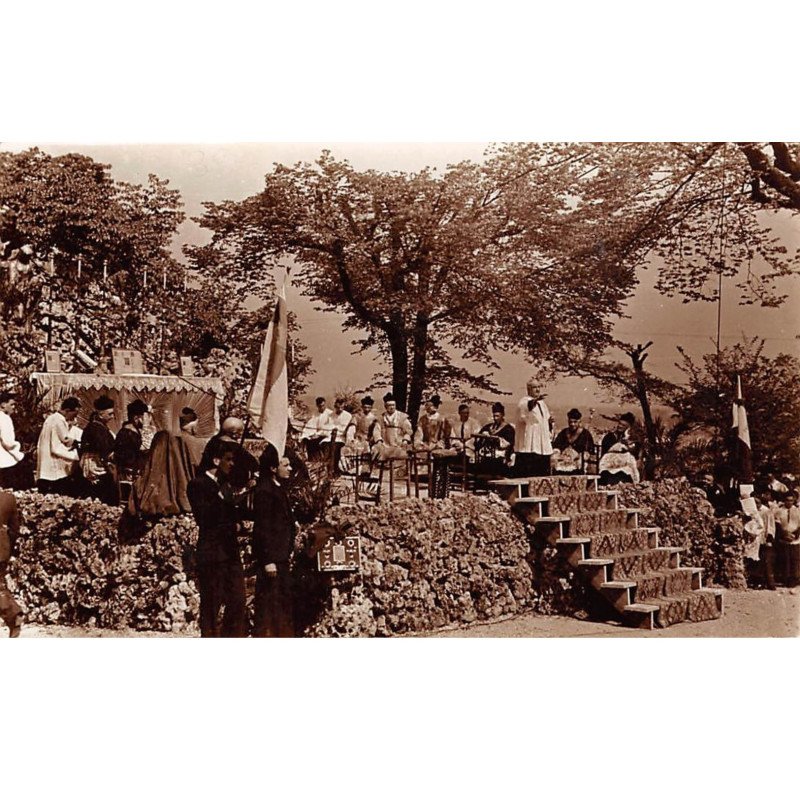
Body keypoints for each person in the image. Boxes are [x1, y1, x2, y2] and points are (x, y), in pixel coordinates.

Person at [187, 439, 247, 637]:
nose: (232, 464)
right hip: (213, 553)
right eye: (228, 459)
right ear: (215, 460)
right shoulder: (198, 485)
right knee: (211, 603)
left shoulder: (225, 485)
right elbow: (205, 518)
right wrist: (232, 524)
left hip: (230, 552)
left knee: (238, 599)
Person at [252, 443, 296, 637]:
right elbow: (262, 527)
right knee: (269, 602)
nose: (290, 469)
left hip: (281, 555)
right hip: (272, 558)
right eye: (285, 465)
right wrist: (267, 559)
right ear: (272, 468)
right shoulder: (265, 491)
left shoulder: (277, 488)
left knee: (280, 601)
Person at [198, 417, 259, 493]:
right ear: (235, 432)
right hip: (227, 485)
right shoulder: (234, 447)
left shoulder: (213, 441)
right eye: (241, 431)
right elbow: (253, 464)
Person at [35, 396, 81, 495]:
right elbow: (65, 440)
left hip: (45, 459)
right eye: (74, 414)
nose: (74, 418)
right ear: (68, 410)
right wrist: (77, 447)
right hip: (53, 460)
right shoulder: (59, 420)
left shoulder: (51, 418)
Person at [78, 395, 118, 504]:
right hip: (96, 466)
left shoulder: (100, 426)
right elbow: (103, 448)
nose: (112, 416)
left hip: (99, 463)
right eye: (110, 414)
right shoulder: (95, 428)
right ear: (101, 414)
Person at [513, 382, 554, 477]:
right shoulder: (523, 402)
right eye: (535, 387)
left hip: (542, 444)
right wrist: (535, 401)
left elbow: (545, 418)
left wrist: (549, 421)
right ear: (528, 389)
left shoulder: (542, 404)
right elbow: (528, 407)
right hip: (529, 445)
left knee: (542, 472)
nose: (538, 389)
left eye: (539, 387)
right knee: (530, 472)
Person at [0, 489, 23, 637]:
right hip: (2, 549)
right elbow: (14, 530)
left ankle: (13, 615)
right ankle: (14, 616)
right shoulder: (8, 498)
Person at [340, 396, 383, 474]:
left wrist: (378, 440)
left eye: (369, 407)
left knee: (367, 449)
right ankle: (349, 470)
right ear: (362, 407)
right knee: (345, 449)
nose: (366, 409)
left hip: (367, 441)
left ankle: (365, 471)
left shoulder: (374, 418)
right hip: (356, 440)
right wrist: (350, 438)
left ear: (371, 407)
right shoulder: (356, 416)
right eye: (365, 407)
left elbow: (376, 431)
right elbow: (352, 428)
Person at [113, 399, 149, 484]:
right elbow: (125, 454)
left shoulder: (134, 430)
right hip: (128, 471)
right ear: (136, 418)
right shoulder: (127, 433)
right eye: (143, 417)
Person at [552, 408, 596, 475]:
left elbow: (588, 450)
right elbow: (557, 445)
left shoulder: (585, 434)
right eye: (570, 422)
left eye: (575, 422)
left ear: (579, 422)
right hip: (564, 458)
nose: (572, 424)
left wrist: (577, 455)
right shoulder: (564, 432)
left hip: (578, 459)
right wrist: (557, 452)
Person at [477, 402, 515, 476]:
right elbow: (478, 438)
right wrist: (483, 435)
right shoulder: (488, 427)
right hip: (488, 451)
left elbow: (509, 444)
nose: (495, 418)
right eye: (494, 416)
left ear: (502, 415)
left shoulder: (509, 429)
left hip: (500, 453)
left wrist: (498, 440)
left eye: (497, 416)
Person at [775, 490, 800, 587]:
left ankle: (795, 579)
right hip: (784, 538)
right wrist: (784, 534)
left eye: (791, 500)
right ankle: (785, 579)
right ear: (784, 500)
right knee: (785, 560)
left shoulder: (798, 511)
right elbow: (778, 524)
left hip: (796, 539)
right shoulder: (779, 511)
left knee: (795, 560)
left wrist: (795, 534)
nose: (789, 502)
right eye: (787, 500)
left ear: (794, 501)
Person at [0, 392, 24, 489]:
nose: (14, 407)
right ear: (3, 405)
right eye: (12, 404)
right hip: (5, 461)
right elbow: (8, 442)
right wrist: (18, 448)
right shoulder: (5, 418)